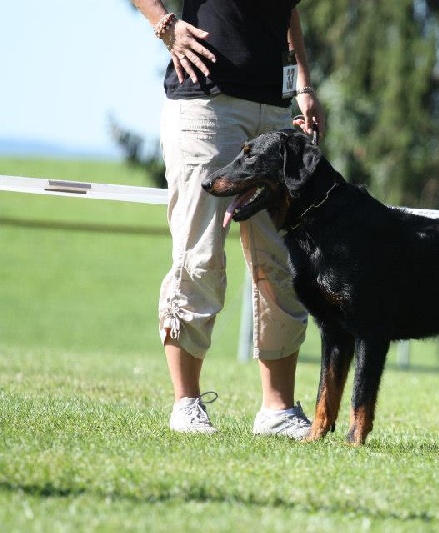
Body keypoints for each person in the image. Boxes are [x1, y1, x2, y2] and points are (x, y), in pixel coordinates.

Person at [133, 0, 325, 437]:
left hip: (274, 115)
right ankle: (187, 404)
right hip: (205, 106)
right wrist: (165, 26)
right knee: (199, 256)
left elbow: (288, 13)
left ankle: (278, 412)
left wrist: (304, 88)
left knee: (282, 262)